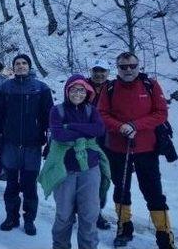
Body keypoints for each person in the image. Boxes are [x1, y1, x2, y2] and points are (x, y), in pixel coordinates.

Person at [97, 52, 174, 249]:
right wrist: (119, 126)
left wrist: (135, 125)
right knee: (121, 189)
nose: (128, 69)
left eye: (132, 65)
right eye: (123, 66)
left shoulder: (150, 85)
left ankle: (164, 236)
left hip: (146, 148)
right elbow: (102, 113)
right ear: (118, 68)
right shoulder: (110, 87)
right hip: (117, 147)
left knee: (153, 192)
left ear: (138, 66)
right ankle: (124, 228)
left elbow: (161, 113)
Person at [38, 74, 111, 249]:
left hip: (90, 168)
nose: (77, 93)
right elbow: (58, 135)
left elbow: (99, 130)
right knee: (64, 215)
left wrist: (70, 126)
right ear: (67, 91)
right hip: (64, 169)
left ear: (87, 92)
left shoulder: (91, 111)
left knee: (89, 215)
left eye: (81, 90)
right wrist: (85, 132)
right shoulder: (57, 110)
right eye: (73, 89)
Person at [0, 54, 54, 236]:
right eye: (17, 64)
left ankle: (29, 219)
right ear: (13, 67)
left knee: (29, 185)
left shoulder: (41, 88)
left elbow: (48, 117)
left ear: (29, 66)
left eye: (24, 63)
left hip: (32, 145)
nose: (20, 66)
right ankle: (11, 217)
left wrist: (48, 141)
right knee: (11, 184)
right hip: (10, 144)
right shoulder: (5, 88)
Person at [86, 58, 112, 230]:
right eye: (96, 71)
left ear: (108, 73)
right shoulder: (83, 87)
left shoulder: (114, 88)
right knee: (84, 178)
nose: (99, 74)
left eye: (102, 71)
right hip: (85, 139)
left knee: (103, 178)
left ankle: (97, 211)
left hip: (107, 140)